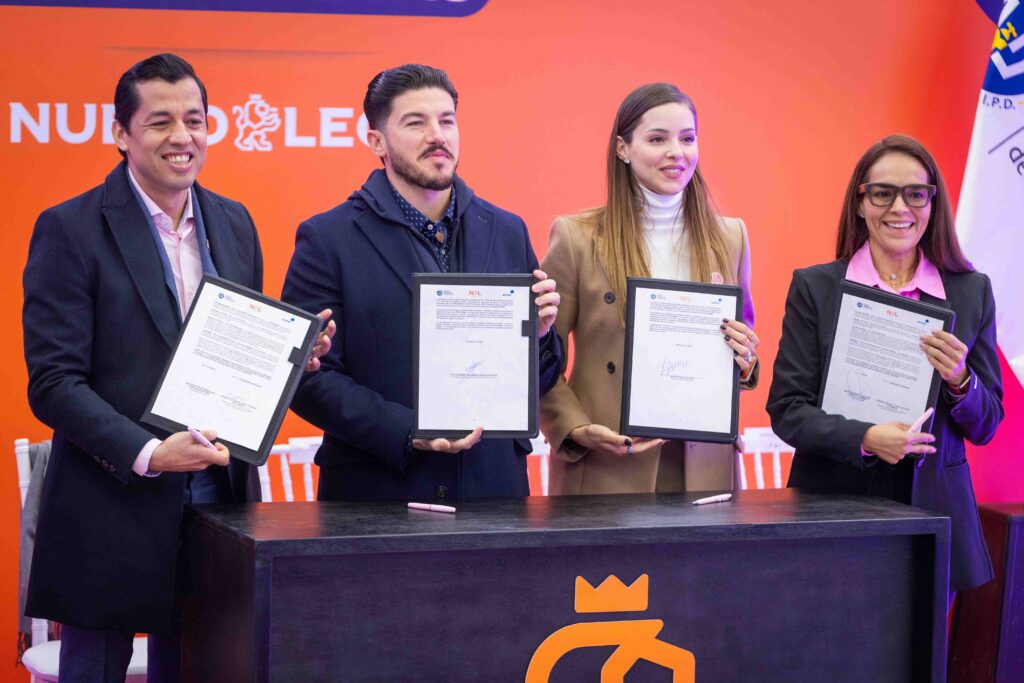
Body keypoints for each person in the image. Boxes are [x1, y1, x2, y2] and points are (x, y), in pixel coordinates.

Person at [22, 54, 332, 682]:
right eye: (159, 122)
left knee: (200, 668)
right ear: (121, 133)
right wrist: (149, 453)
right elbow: (53, 383)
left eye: (194, 119)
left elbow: (236, 352)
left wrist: (289, 362)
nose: (182, 137)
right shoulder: (70, 228)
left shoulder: (234, 222)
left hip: (218, 498)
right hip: (109, 501)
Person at [281, 64, 563, 502]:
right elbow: (305, 378)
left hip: (494, 493)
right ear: (376, 141)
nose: (437, 135)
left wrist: (540, 337)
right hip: (377, 497)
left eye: (447, 121)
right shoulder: (328, 238)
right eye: (416, 123)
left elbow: (538, 381)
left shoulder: (506, 230)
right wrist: (408, 432)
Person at [767, 134, 1003, 593]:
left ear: (932, 203)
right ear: (860, 203)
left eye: (915, 194)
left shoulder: (971, 291)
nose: (900, 208)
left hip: (935, 514)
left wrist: (960, 380)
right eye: (882, 193)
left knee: (924, 641)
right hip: (834, 509)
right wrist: (866, 438)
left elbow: (986, 424)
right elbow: (788, 409)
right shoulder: (815, 288)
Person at [539, 83, 759, 495]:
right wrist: (576, 428)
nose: (677, 152)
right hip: (607, 464)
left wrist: (746, 360)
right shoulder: (576, 237)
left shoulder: (732, 238)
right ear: (623, 148)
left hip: (703, 466)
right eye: (658, 139)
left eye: (687, 138)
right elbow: (539, 354)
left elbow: (743, 345)